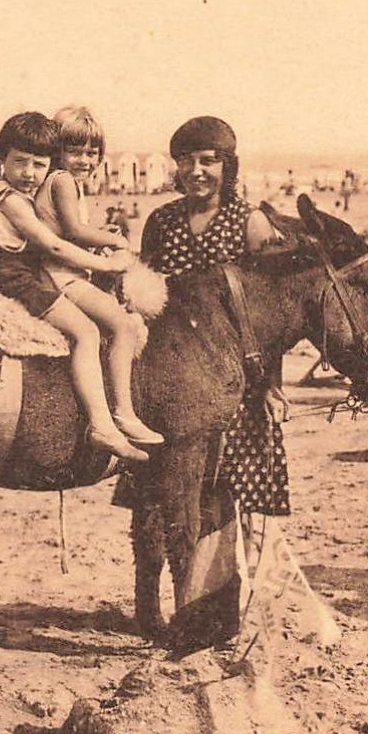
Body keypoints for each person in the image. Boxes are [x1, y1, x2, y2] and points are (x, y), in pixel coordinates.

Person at [132, 115, 291, 520]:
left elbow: (269, 319)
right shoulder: (161, 222)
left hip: (238, 382)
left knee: (230, 496)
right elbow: (143, 297)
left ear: (228, 166)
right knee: (162, 497)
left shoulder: (250, 222)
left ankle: (224, 586)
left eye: (208, 161)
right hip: (172, 384)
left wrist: (272, 384)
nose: (196, 172)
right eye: (186, 161)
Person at [0, 111, 144, 461]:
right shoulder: (13, 203)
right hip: (18, 282)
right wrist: (107, 263)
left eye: (38, 165)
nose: (30, 174)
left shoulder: (2, 196)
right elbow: (55, 246)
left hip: (15, 276)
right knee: (86, 333)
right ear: (1, 159)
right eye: (20, 163)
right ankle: (102, 424)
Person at [32, 105, 160, 448]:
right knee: (123, 326)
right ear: (57, 152)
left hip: (60, 271)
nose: (84, 160)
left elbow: (68, 229)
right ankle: (122, 412)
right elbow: (74, 229)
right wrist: (115, 240)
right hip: (62, 276)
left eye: (92, 153)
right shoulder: (62, 181)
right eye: (74, 152)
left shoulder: (59, 182)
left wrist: (98, 235)